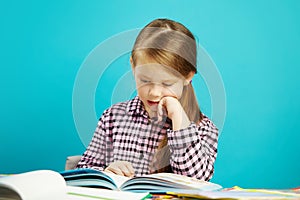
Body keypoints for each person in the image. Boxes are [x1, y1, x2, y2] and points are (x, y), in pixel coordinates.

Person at [77, 18, 219, 181]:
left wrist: (180, 121)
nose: (154, 93)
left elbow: (197, 179)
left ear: (187, 77)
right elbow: (84, 169)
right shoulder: (112, 118)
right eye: (145, 80)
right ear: (133, 66)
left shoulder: (203, 129)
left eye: (167, 83)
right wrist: (106, 171)